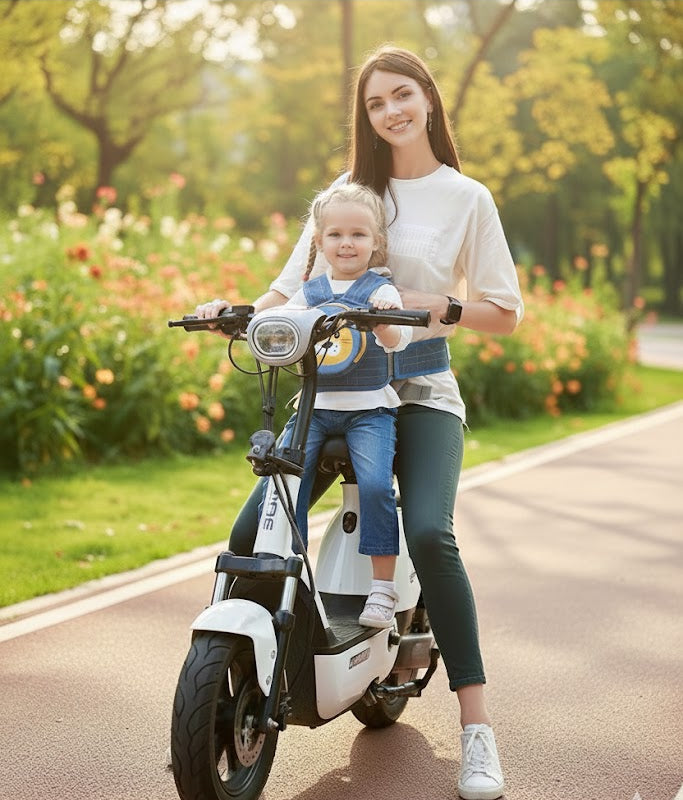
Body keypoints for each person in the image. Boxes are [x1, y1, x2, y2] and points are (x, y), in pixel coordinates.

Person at [197, 45, 523, 800]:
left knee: (430, 534)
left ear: (429, 101)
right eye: (376, 103)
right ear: (365, 117)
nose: (391, 112)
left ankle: (476, 729)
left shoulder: (465, 197)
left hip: (418, 392)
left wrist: (437, 306)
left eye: (401, 95)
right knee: (252, 532)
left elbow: (504, 315)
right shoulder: (345, 193)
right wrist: (237, 313)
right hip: (333, 395)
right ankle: (275, 665)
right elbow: (288, 293)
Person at [273, 181, 413, 628]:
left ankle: (382, 588)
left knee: (374, 485)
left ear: (376, 243)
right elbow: (281, 325)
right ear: (320, 242)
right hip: (314, 407)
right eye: (335, 235)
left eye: (358, 234)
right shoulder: (310, 292)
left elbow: (397, 339)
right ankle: (286, 572)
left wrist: (382, 321)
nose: (346, 243)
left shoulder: (380, 289)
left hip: (369, 409)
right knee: (284, 481)